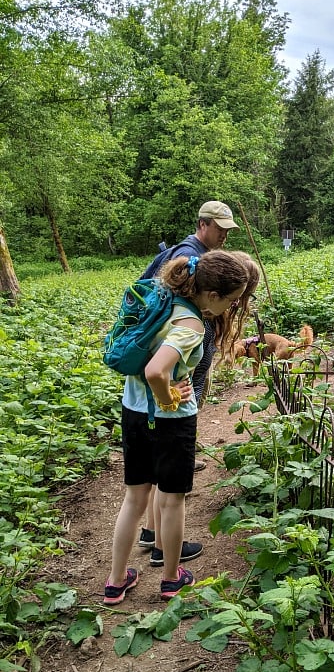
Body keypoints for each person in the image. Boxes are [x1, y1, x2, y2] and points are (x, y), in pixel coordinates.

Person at [104, 250, 260, 604]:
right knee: (172, 501)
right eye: (232, 301)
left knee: (134, 498)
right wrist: (170, 396)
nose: (232, 308)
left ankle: (116, 581)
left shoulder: (162, 298)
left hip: (132, 410)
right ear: (213, 296)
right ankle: (172, 578)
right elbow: (156, 371)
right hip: (170, 422)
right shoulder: (190, 325)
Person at [137, 201, 240, 559]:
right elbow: (166, 328)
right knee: (169, 473)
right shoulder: (188, 253)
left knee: (161, 470)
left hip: (164, 380)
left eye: (228, 228)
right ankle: (163, 546)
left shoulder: (201, 253)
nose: (224, 234)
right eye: (219, 227)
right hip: (172, 381)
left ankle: (153, 536)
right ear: (202, 224)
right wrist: (167, 397)